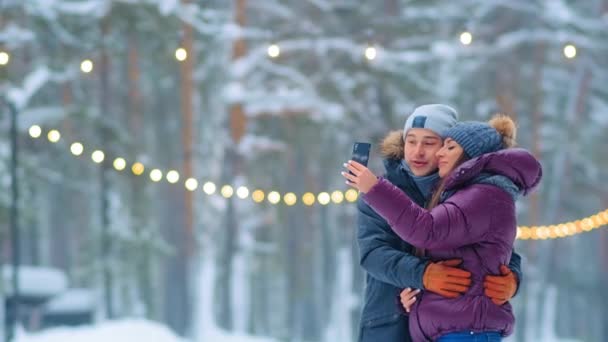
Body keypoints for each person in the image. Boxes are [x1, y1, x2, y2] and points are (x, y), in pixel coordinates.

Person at [343, 115, 542, 341]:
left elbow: (498, 249)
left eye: (430, 143)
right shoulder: (390, 189)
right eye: (411, 141)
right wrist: (422, 276)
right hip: (391, 319)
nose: (419, 152)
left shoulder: (469, 191)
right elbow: (374, 255)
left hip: (450, 324)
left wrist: (512, 279)